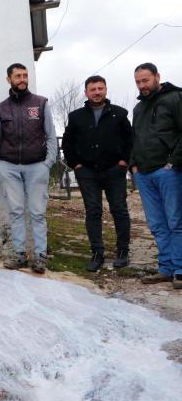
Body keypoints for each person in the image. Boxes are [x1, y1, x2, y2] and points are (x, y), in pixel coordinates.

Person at [62, 75, 132, 272]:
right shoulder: (76, 116)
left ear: (106, 89)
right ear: (86, 92)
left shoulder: (119, 113)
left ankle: (122, 252)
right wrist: (75, 164)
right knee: (93, 211)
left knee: (119, 209)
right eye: (93, 89)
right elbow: (67, 143)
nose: (97, 92)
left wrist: (124, 162)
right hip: (87, 172)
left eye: (100, 88)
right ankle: (97, 252)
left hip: (114, 170)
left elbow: (129, 139)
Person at [0, 63, 57, 274]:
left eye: (25, 75)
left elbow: (50, 135)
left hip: (37, 166)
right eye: (18, 76)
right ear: (8, 79)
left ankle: (39, 257)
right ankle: (19, 255)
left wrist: (48, 163)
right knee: (16, 211)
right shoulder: (1, 109)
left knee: (37, 213)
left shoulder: (40, 104)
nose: (22, 79)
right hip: (9, 167)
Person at [131, 63, 182, 289]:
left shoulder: (175, 98)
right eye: (138, 82)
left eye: (146, 80)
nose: (142, 85)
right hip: (144, 173)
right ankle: (166, 268)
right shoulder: (138, 109)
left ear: (157, 77)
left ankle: (180, 270)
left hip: (168, 171)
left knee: (175, 221)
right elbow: (134, 138)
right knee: (157, 224)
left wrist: (173, 162)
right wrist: (133, 165)